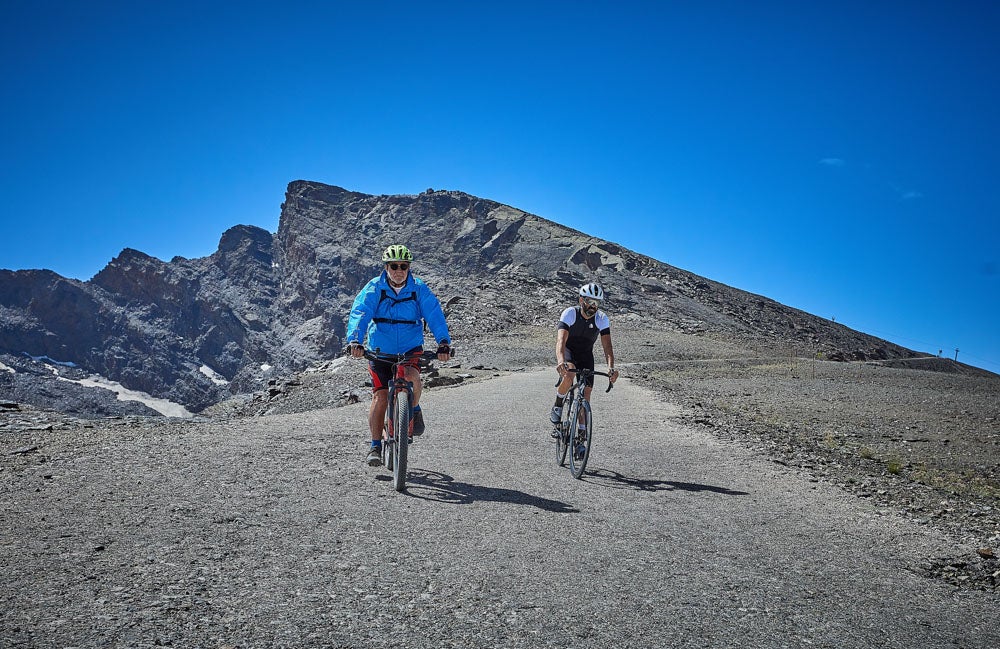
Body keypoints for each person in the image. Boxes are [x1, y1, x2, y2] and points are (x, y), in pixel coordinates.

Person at [346, 244, 451, 466]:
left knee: (412, 376)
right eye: (394, 266)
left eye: (403, 266)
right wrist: (355, 340)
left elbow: (434, 314)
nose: (399, 270)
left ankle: (413, 408)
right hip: (379, 350)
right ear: (386, 267)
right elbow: (360, 312)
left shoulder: (418, 289)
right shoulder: (374, 288)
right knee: (380, 396)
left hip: (409, 348)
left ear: (409, 267)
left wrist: (443, 342)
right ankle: (375, 446)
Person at [549, 283, 619, 445]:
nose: (593, 306)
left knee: (586, 394)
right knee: (570, 372)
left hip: (585, 355)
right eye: (590, 301)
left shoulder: (602, 319)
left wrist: (611, 367)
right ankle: (558, 404)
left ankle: (581, 438)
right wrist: (561, 361)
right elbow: (561, 340)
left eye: (597, 303)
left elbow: (607, 346)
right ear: (581, 300)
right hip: (569, 351)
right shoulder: (570, 313)